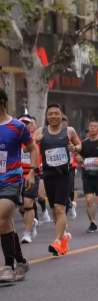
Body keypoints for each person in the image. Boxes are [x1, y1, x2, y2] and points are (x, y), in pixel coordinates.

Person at [0, 89, 37, 282]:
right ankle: (21, 261)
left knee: (1, 217)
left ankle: (8, 266)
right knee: (6, 222)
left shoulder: (16, 126)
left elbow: (32, 148)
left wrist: (31, 171)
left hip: (11, 180)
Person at [34, 103, 81, 256]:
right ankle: (64, 236)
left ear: (61, 116)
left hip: (64, 174)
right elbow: (31, 147)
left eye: (56, 113)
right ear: (47, 117)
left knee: (60, 208)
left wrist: (75, 148)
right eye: (50, 114)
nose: (53, 116)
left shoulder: (69, 131)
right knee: (54, 210)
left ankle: (57, 241)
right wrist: (37, 141)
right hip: (48, 175)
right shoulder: (41, 131)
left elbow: (79, 144)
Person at [18, 115, 40, 244]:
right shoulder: (13, 139)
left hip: (31, 174)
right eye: (23, 123)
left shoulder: (35, 140)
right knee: (20, 207)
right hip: (15, 176)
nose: (26, 125)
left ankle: (27, 233)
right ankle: (32, 221)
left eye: (28, 123)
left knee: (27, 203)